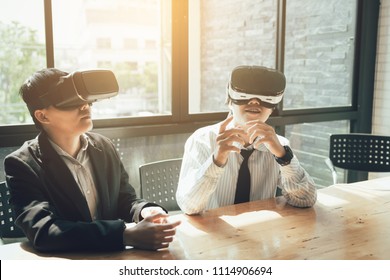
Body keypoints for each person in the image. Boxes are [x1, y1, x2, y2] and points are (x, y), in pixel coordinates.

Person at [3, 68, 180, 252]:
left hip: (116, 259)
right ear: (43, 116)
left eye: (85, 99)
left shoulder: (104, 147)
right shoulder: (22, 164)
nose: (85, 106)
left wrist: (145, 210)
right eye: (70, 102)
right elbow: (45, 231)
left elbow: (125, 199)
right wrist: (124, 235)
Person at [176, 65, 317, 215]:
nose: (255, 102)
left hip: (259, 232)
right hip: (213, 231)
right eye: (245, 95)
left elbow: (305, 200)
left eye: (265, 98)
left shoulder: (279, 146)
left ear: (272, 108)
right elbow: (189, 207)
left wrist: (284, 157)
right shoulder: (201, 140)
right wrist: (217, 160)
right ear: (230, 101)